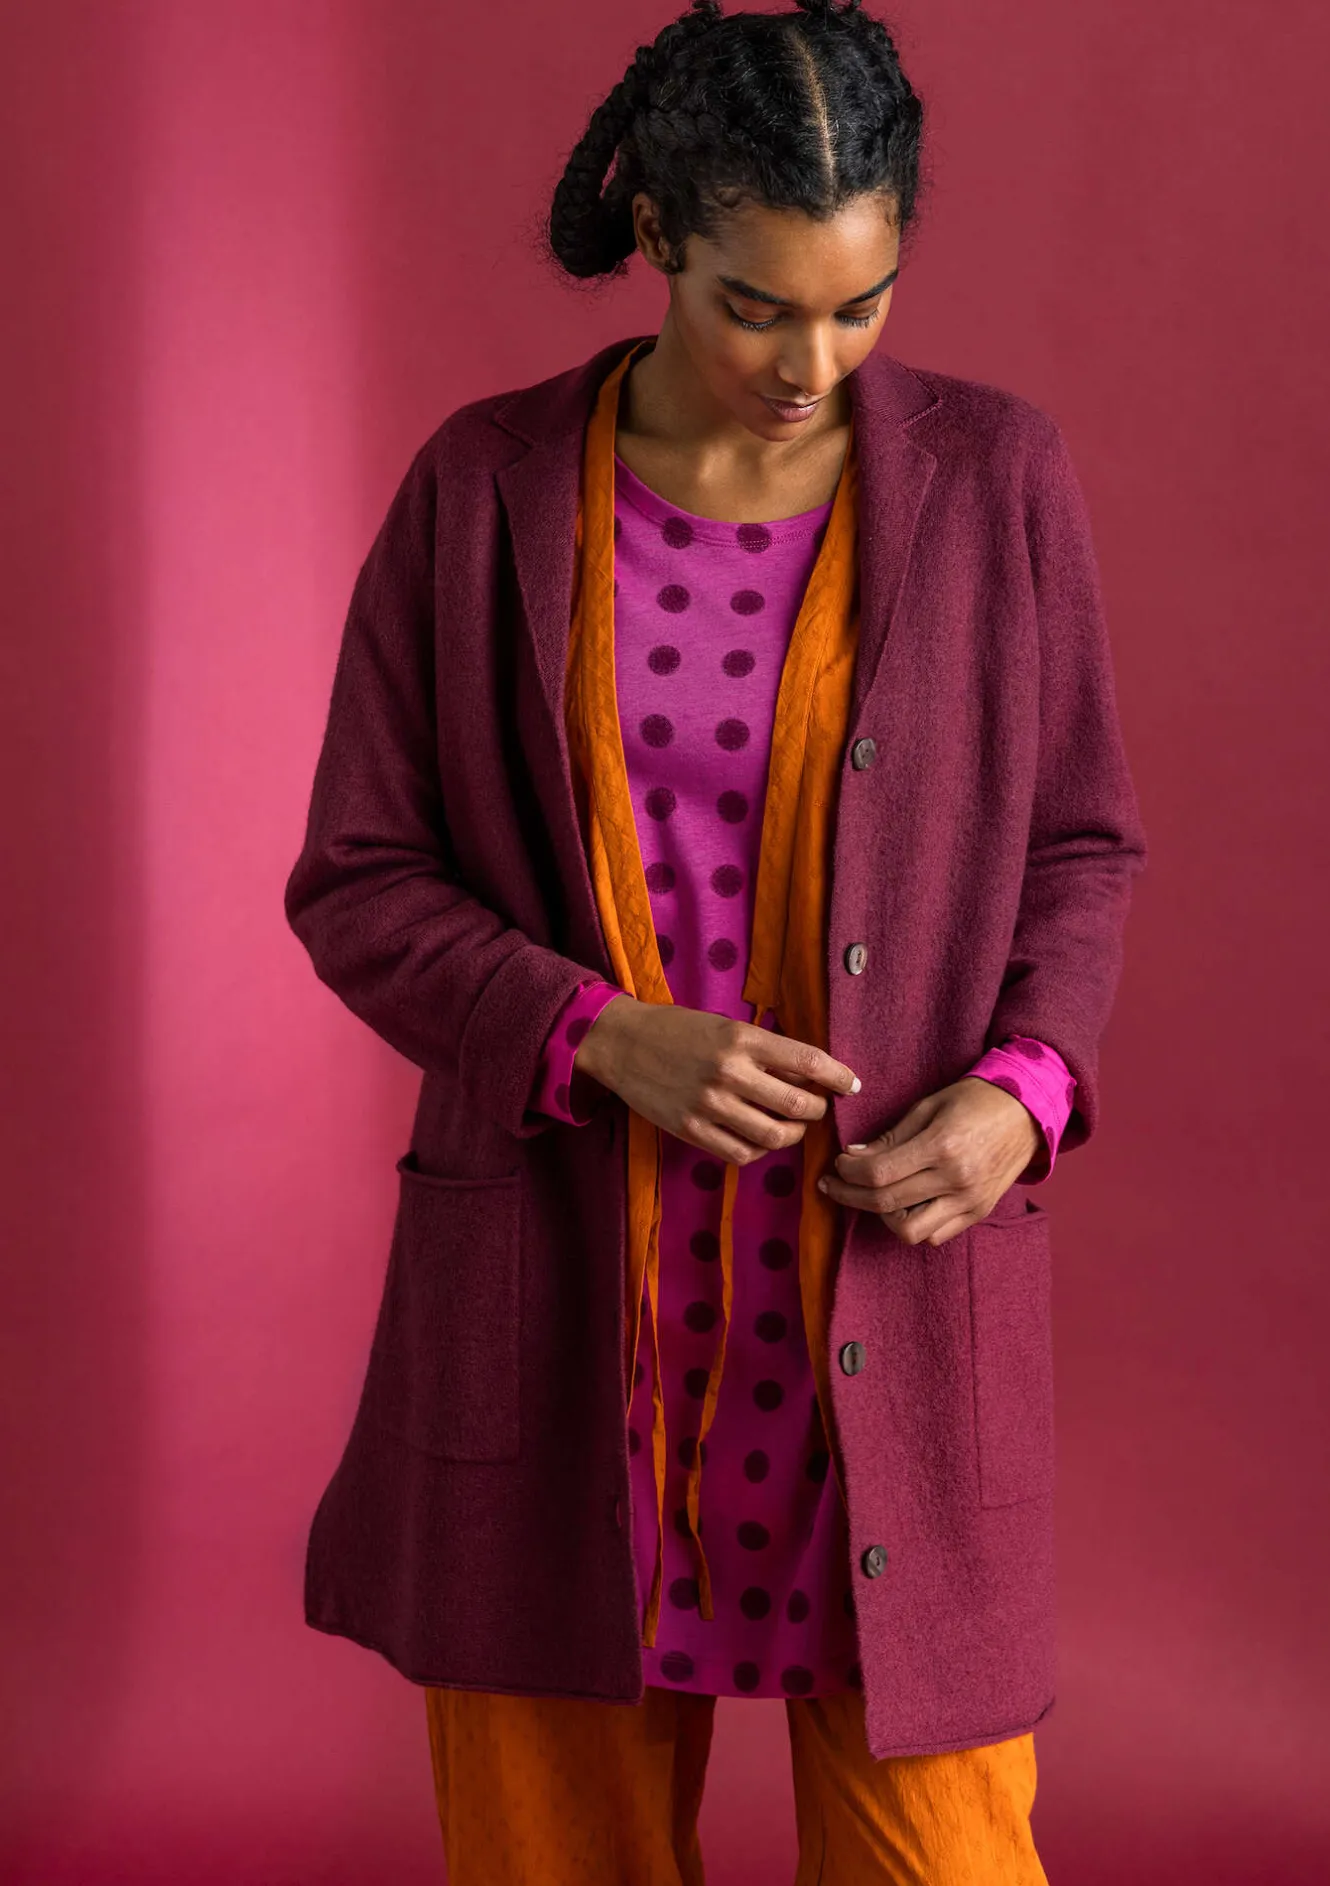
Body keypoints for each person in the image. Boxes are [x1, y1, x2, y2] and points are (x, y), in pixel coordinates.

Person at [283, 1, 1148, 1879]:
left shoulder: (996, 478)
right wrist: (592, 1029)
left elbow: (1079, 841)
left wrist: (1019, 1089)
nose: (807, 362)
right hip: (566, 1298)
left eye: (859, 305)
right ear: (658, 231)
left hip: (888, 1296)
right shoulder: (487, 486)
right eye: (756, 306)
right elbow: (358, 875)